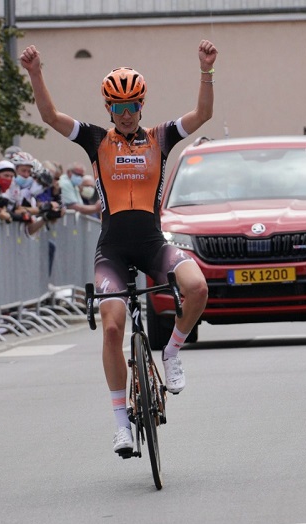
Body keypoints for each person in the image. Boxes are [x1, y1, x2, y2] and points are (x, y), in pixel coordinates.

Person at [20, 40, 216, 454]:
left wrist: (205, 70)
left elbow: (202, 116)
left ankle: (173, 353)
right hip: (112, 249)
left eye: (132, 107)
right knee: (111, 328)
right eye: (117, 108)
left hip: (152, 243)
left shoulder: (160, 137)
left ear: (141, 106)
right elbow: (51, 117)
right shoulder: (95, 139)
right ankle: (120, 424)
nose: (125, 115)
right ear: (109, 109)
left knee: (197, 287)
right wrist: (36, 73)